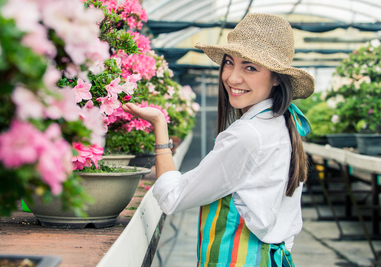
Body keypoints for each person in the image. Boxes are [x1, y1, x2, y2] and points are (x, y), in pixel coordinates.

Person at [123, 13, 315, 267]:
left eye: (250, 67)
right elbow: (288, 223)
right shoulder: (283, 126)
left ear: (277, 77)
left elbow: (172, 197)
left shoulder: (247, 135)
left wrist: (159, 123)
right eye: (229, 63)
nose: (232, 78)